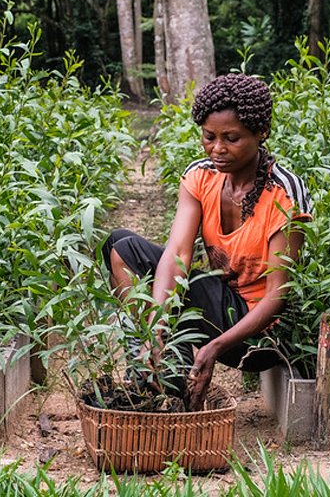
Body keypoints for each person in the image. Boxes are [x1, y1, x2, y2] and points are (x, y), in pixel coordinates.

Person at [103, 73, 311, 411]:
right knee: (121, 246)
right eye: (209, 137)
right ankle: (157, 372)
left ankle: (172, 388)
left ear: (261, 133)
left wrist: (214, 348)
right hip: (216, 305)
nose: (217, 148)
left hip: (258, 335)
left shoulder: (283, 192)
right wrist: (154, 327)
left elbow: (278, 295)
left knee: (184, 286)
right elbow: (178, 252)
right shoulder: (202, 175)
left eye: (232, 138)